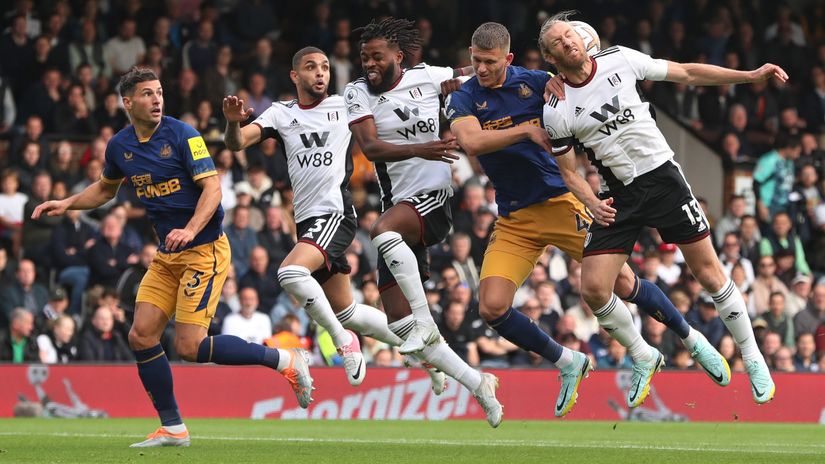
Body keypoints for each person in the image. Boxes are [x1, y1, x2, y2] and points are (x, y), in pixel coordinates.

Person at [444, 22, 728, 414]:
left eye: (490, 62)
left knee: (623, 282)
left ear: (508, 59)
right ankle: (568, 362)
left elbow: (581, 84)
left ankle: (689, 339)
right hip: (514, 218)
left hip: (560, 202)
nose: (481, 69)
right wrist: (525, 130)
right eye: (475, 62)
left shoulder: (540, 83)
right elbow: (471, 142)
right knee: (491, 307)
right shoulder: (463, 96)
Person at [31, 67, 314, 448]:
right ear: (128, 103)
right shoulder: (119, 146)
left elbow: (213, 189)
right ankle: (173, 427)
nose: (157, 99)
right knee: (141, 334)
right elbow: (105, 188)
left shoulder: (183, 134)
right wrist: (67, 203)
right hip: (168, 255)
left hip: (205, 250)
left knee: (188, 346)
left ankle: (284, 360)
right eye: (147, 94)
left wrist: (192, 229)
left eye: (160, 92)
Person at [538, 11, 777, 403]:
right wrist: (591, 202)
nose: (567, 43)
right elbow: (568, 172)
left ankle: (752, 358)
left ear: (583, 38)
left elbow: (685, 72)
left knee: (710, 274)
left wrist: (748, 76)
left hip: (663, 180)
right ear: (550, 58)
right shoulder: (556, 108)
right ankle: (644, 354)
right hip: (617, 195)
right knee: (595, 289)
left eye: (570, 35)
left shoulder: (619, 60)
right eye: (557, 43)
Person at [223, 46, 446, 391]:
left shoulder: (346, 105)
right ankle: (428, 353)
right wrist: (232, 123)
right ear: (295, 76)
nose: (320, 73)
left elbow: (391, 102)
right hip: (307, 221)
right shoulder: (281, 113)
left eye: (325, 67)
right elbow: (237, 143)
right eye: (311, 67)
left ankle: (344, 341)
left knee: (290, 272)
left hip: (336, 215)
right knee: (348, 310)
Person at [345, 18, 501, 427]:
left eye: (377, 56)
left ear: (398, 55)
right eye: (364, 57)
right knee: (400, 326)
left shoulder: (428, 78)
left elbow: (480, 73)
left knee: (382, 231)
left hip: (432, 200)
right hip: (400, 205)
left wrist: (538, 77)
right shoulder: (357, 92)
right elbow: (370, 147)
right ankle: (478, 383)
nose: (369, 64)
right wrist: (424, 147)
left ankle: (427, 324)